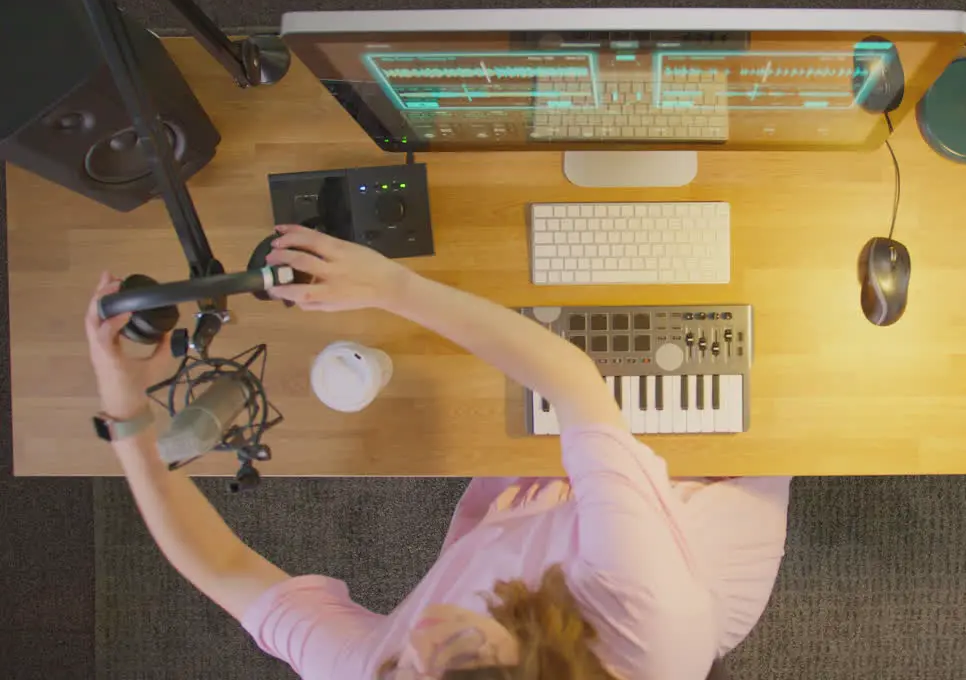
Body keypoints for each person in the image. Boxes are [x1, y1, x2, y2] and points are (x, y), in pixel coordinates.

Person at [85, 224, 792, 680]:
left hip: (534, 516)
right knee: (750, 351)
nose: (416, 633)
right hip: (704, 505)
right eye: (454, 654)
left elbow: (222, 567)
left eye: (405, 671)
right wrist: (392, 286)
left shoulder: (388, 669)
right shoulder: (645, 616)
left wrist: (123, 405)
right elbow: (576, 386)